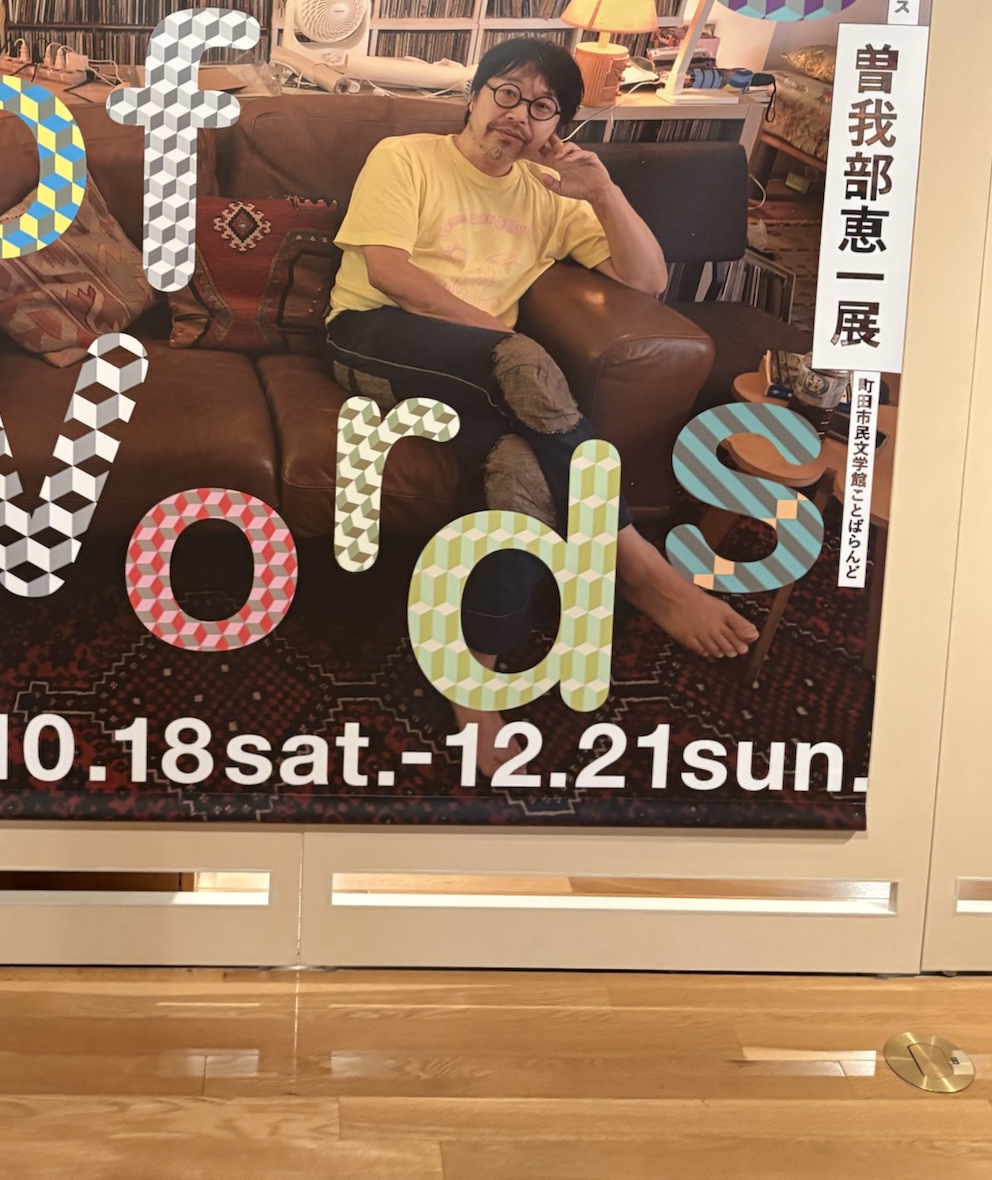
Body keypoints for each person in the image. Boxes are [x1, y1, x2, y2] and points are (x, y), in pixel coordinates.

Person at [325, 38, 758, 775]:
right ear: (474, 95)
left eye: (543, 106)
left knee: (520, 469)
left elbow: (647, 280)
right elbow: (392, 274)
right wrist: (502, 341)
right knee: (523, 359)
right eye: (506, 92)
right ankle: (637, 564)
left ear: (558, 126)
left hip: (482, 374)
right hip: (372, 335)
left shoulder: (547, 194)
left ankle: (475, 675)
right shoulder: (406, 157)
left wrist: (604, 194)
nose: (518, 115)